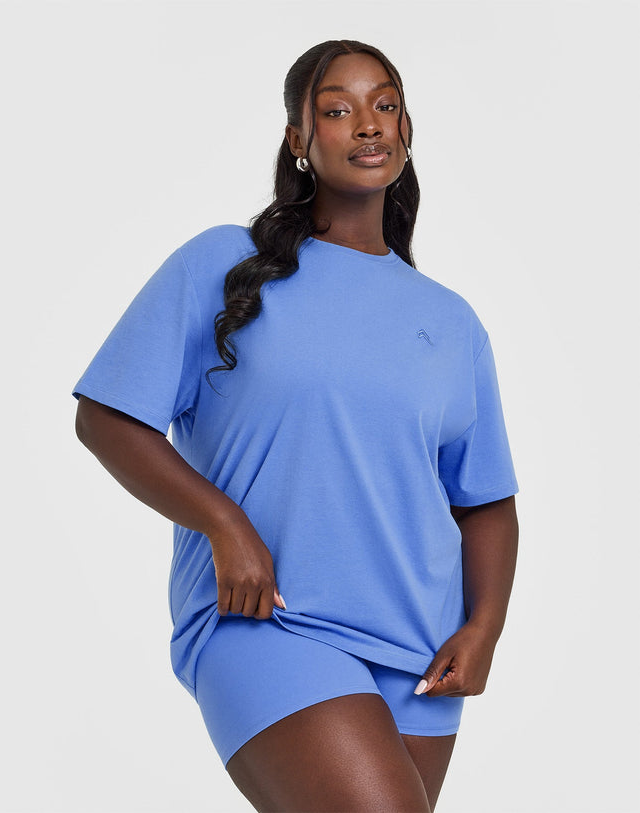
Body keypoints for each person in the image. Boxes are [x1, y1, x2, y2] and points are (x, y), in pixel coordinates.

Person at [73, 39, 519, 813]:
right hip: (269, 621)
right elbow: (107, 415)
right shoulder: (224, 264)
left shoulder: (451, 322)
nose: (369, 125)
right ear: (298, 140)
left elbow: (484, 500)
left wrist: (485, 628)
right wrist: (225, 525)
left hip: (418, 651)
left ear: (406, 128)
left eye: (385, 105)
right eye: (338, 110)